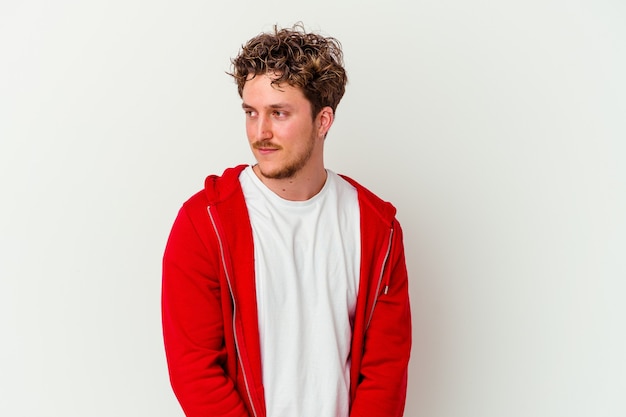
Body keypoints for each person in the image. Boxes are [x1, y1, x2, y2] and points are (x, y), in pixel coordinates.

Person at [161, 23, 412, 417]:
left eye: (278, 113)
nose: (261, 132)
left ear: (323, 121)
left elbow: (385, 373)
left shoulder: (376, 229)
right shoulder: (205, 222)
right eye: (251, 112)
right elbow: (194, 369)